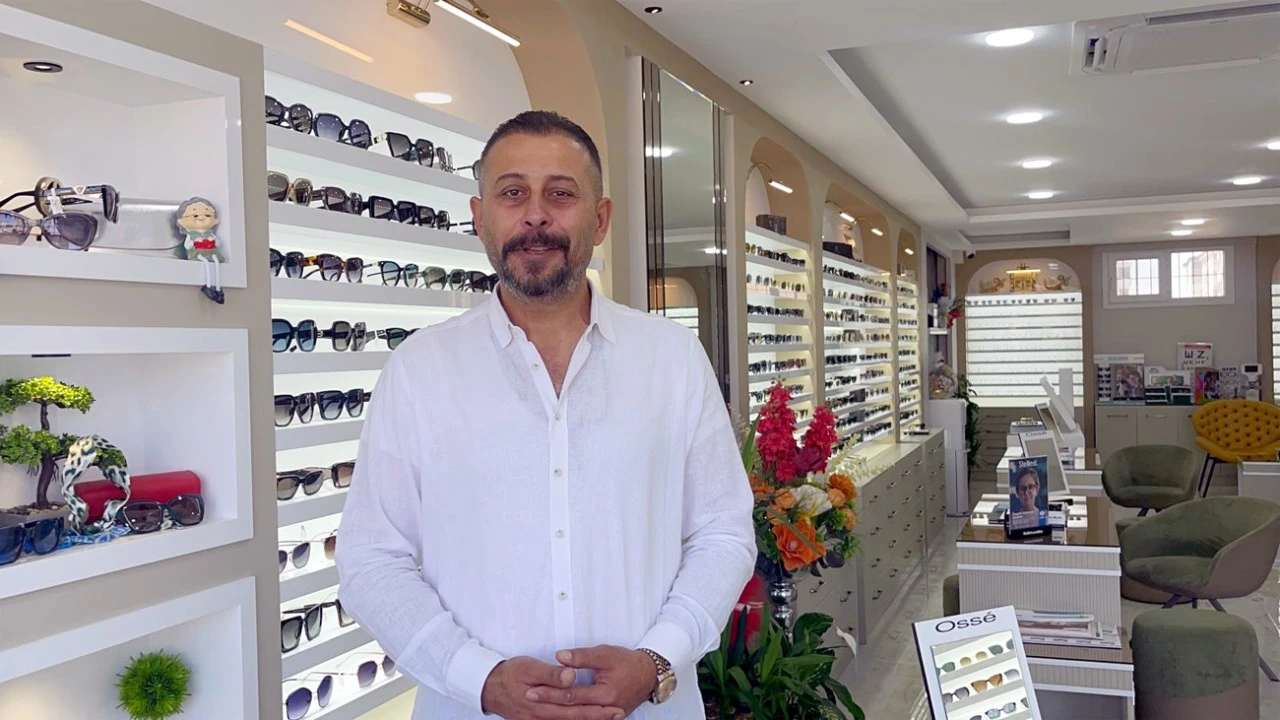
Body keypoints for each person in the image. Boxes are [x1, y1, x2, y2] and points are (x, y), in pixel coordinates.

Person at [336, 110, 756, 720]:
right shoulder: (419, 371)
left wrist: (658, 659)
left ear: (600, 219)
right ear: (480, 217)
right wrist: (478, 679)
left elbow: (723, 532)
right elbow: (372, 559)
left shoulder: (672, 359)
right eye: (512, 193)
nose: (535, 215)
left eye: (560, 193)